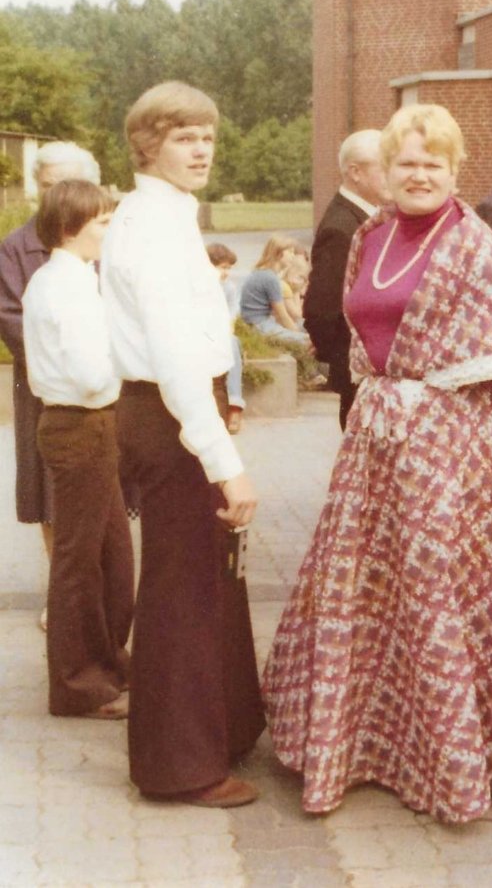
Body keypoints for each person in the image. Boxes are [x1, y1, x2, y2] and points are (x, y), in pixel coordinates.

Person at [263, 103, 492, 824]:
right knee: (369, 590)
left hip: (455, 443)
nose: (418, 175)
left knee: (451, 590)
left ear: (454, 170)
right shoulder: (370, 235)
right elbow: (360, 328)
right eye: (407, 163)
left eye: (433, 164)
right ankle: (367, 744)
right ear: (386, 170)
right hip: (378, 439)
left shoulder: (475, 243)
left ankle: (473, 757)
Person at [101, 81, 265, 808]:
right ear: (148, 145)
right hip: (171, 416)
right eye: (184, 138)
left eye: (207, 137)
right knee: (181, 590)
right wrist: (227, 467)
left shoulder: (161, 215)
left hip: (173, 412)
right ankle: (180, 768)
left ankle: (220, 730)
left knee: (203, 580)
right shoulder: (155, 228)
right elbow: (175, 364)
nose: (202, 150)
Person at [23, 180, 133, 720]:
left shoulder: (72, 277)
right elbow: (91, 375)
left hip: (89, 426)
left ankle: (108, 664)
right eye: (103, 223)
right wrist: (131, 364)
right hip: (80, 423)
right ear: (71, 228)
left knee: (113, 556)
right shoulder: (65, 286)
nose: (111, 232)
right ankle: (77, 686)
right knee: (80, 562)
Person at [0, 142, 101, 630]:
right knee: (50, 493)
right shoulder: (18, 246)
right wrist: (61, 360)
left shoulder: (106, 238)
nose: (53, 195)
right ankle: (63, 595)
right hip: (46, 389)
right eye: (45, 186)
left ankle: (99, 593)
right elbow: (10, 315)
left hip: (106, 389)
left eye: (64, 184)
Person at [303, 129, 390, 429]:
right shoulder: (341, 228)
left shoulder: (364, 217)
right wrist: (343, 358)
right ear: (355, 172)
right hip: (359, 375)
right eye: (384, 165)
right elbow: (321, 310)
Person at [240, 235, 311, 344]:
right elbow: (282, 315)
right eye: (290, 252)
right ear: (279, 253)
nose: (293, 256)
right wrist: (298, 334)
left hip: (257, 323)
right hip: (260, 326)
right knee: (307, 340)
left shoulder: (262, 273)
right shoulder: (270, 278)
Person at [206, 243, 245, 434]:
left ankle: (235, 405)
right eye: (222, 267)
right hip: (203, 333)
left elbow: (232, 314)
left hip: (221, 333)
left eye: (229, 268)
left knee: (232, 343)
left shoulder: (228, 288)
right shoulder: (200, 287)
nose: (226, 273)